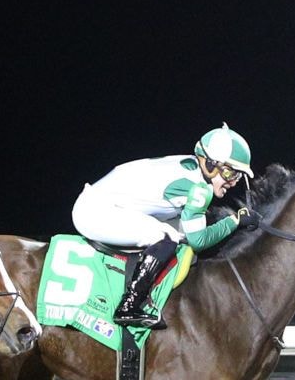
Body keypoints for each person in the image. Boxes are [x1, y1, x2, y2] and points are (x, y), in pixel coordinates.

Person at [71, 123, 260, 328]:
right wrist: (235, 221)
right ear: (210, 164)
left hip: (102, 202)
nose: (233, 182)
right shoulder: (198, 189)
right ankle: (128, 306)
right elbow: (199, 241)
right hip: (95, 211)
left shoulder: (193, 167)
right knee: (168, 237)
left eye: (237, 176)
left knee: (179, 232)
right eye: (230, 173)